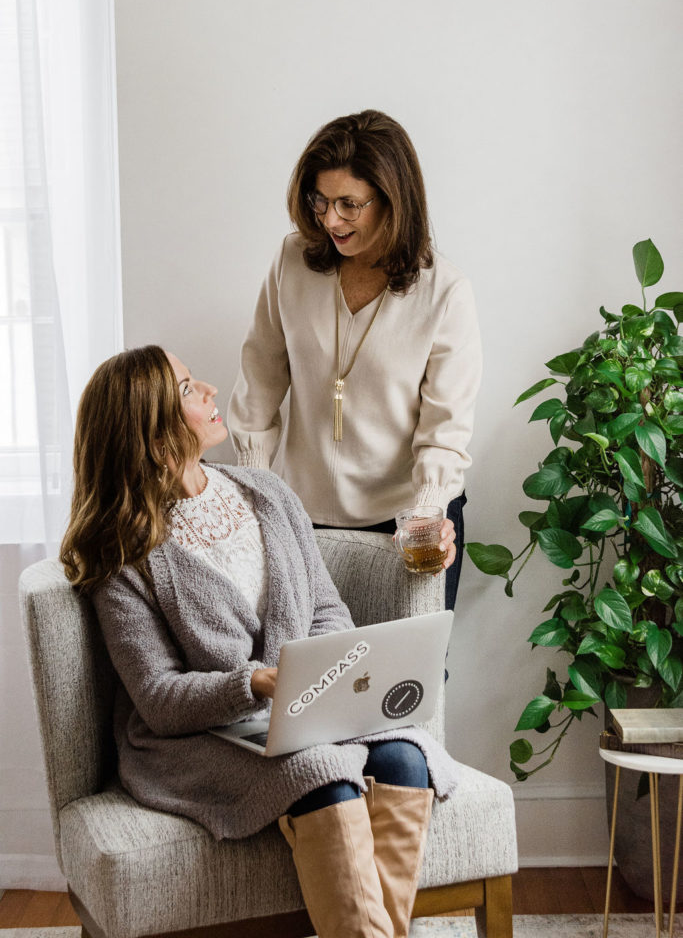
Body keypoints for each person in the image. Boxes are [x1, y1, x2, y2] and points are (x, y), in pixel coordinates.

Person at [60, 345, 462, 938]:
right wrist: (257, 682)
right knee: (320, 770)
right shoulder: (124, 555)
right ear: (151, 430)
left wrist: (321, 676)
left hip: (309, 705)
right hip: (204, 736)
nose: (210, 392)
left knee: (405, 757)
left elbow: (326, 607)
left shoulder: (265, 494)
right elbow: (159, 696)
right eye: (189, 387)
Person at [228, 110, 482, 610]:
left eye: (349, 204)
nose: (330, 220)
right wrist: (258, 490)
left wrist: (427, 514)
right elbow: (259, 379)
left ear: (393, 200)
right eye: (320, 201)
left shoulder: (445, 292)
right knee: (306, 678)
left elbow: (445, 429)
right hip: (300, 517)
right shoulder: (292, 262)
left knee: (409, 681)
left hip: (407, 520)